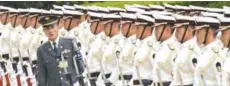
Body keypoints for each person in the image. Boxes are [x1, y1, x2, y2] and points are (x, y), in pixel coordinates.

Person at [37, 15, 84, 86]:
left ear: (58, 27)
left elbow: (80, 66)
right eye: (47, 28)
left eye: (52, 27)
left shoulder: (70, 42)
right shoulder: (42, 50)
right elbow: (42, 75)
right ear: (44, 31)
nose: (50, 31)